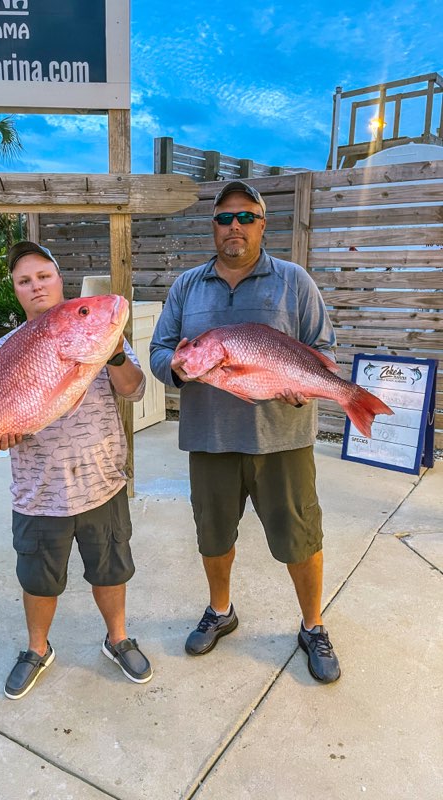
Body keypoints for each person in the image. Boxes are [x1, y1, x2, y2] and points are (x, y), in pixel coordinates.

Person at [149, 181, 341, 684]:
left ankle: (312, 625)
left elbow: (323, 349)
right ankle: (220, 611)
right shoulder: (186, 286)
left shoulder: (294, 281)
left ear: (263, 223)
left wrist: (309, 385)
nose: (234, 226)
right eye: (224, 218)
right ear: (213, 226)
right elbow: (159, 351)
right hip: (209, 437)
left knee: (300, 536)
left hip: (283, 440)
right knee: (213, 537)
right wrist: (178, 366)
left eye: (245, 217)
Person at [0, 240, 153, 699]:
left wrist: (116, 353)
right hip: (39, 492)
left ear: (59, 279)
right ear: (16, 291)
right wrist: (1, 436)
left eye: (43, 276)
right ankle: (37, 648)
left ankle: (117, 638)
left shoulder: (94, 330)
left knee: (111, 570)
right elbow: (1, 416)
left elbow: (135, 391)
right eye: (24, 281)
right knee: (39, 579)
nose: (35, 286)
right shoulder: (4, 348)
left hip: (102, 484)